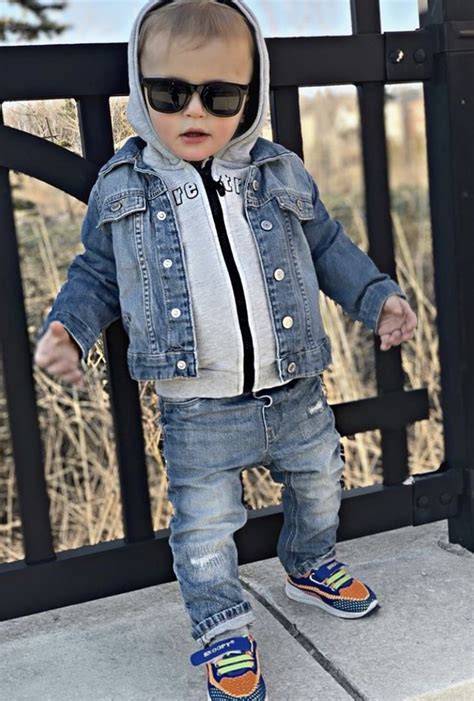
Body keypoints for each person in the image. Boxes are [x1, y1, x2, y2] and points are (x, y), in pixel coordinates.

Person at [34, 1, 418, 699]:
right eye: (170, 93)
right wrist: (69, 331)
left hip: (295, 388)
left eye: (220, 95)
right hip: (198, 405)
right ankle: (222, 628)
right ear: (141, 90)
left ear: (252, 93)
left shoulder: (279, 171)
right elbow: (97, 274)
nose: (194, 111)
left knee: (320, 485)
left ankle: (309, 563)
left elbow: (327, 246)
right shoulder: (124, 186)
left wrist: (378, 298)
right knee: (205, 527)